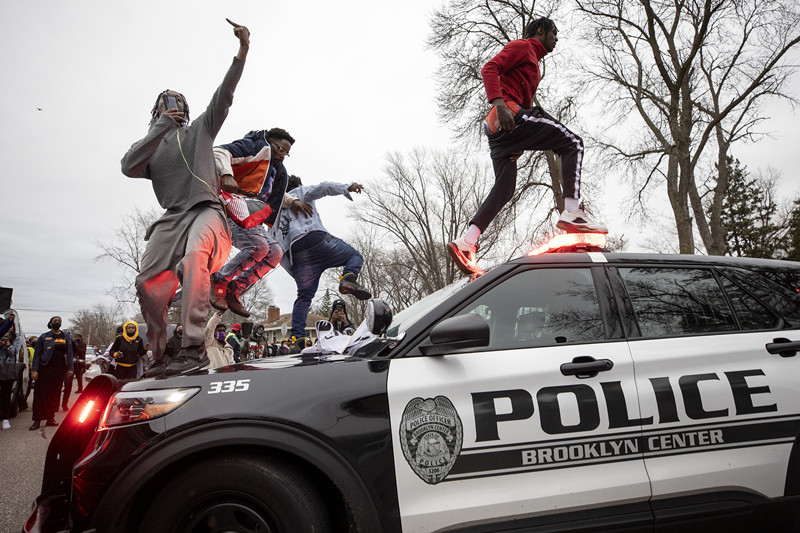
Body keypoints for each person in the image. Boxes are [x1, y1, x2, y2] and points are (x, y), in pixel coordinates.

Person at [121, 19, 250, 376]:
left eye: (176, 105)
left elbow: (223, 97)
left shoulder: (201, 131)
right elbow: (128, 166)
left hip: (208, 213)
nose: (172, 108)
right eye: (165, 106)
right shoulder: (152, 149)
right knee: (147, 282)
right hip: (171, 218)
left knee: (195, 256)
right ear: (156, 113)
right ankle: (161, 354)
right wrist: (161, 126)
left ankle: (193, 348)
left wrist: (241, 52)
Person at [447, 16, 607, 275]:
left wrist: (521, 140)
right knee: (573, 143)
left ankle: (467, 242)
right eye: (554, 33)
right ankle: (573, 211)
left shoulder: (534, 63)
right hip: (506, 114)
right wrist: (499, 104)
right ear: (541, 31)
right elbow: (489, 68)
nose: (557, 39)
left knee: (505, 188)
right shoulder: (523, 47)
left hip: (500, 131)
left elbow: (528, 104)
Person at [210, 128, 313, 317]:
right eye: (281, 150)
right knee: (259, 247)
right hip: (231, 205)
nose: (283, 156)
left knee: (275, 253)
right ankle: (219, 280)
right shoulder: (256, 146)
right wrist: (227, 174)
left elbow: (274, 195)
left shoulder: (277, 170)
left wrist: (293, 201)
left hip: (251, 212)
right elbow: (218, 151)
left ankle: (235, 287)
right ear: (271, 142)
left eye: (286, 153)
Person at [276, 175, 371, 349]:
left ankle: (297, 339)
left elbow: (276, 243)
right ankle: (348, 277)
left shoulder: (276, 209)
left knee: (303, 297)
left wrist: (294, 269)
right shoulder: (302, 192)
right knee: (354, 256)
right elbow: (325, 187)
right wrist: (347, 186)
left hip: (298, 253)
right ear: (298, 185)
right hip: (317, 239)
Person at [31, 317, 73, 430]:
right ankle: (37, 420)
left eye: (59, 320)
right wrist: (35, 369)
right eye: (55, 321)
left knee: (54, 395)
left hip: (59, 370)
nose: (57, 322)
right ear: (50, 324)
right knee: (41, 395)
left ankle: (50, 418)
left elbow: (69, 353)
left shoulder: (66, 337)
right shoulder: (44, 337)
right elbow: (37, 354)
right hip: (45, 368)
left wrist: (70, 368)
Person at [62, 332, 87, 410]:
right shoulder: (58, 343)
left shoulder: (75, 344)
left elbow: (80, 352)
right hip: (61, 366)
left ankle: (64, 404)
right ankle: (55, 404)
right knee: (60, 386)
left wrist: (74, 343)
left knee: (69, 384)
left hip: (74, 366)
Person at [0, 333, 18, 429]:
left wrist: (8, 345)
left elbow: (14, 352)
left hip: (6, 371)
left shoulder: (15, 338)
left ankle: (5, 419)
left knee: (6, 396)